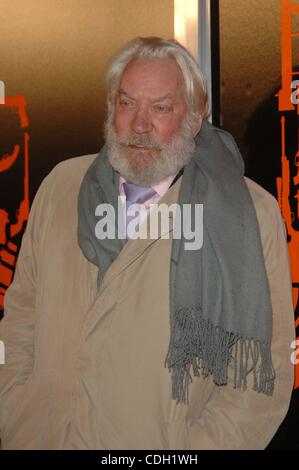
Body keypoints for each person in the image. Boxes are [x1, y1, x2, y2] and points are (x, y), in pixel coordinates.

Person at [0, 37, 295, 450]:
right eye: (127, 103)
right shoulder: (61, 188)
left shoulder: (249, 214)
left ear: (193, 120)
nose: (139, 124)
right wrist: (16, 414)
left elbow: (263, 374)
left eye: (160, 107)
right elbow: (20, 318)